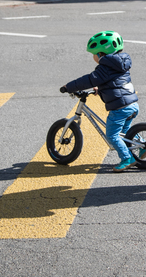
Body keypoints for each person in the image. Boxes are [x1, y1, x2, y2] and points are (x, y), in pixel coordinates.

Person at [60, 31, 140, 172]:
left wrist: (69, 87)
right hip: (132, 104)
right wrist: (100, 88)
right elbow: (114, 81)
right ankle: (142, 147)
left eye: (93, 54)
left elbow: (88, 80)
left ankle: (127, 159)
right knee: (125, 131)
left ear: (100, 54)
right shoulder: (120, 63)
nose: (93, 57)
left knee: (111, 135)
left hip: (119, 107)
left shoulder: (104, 68)